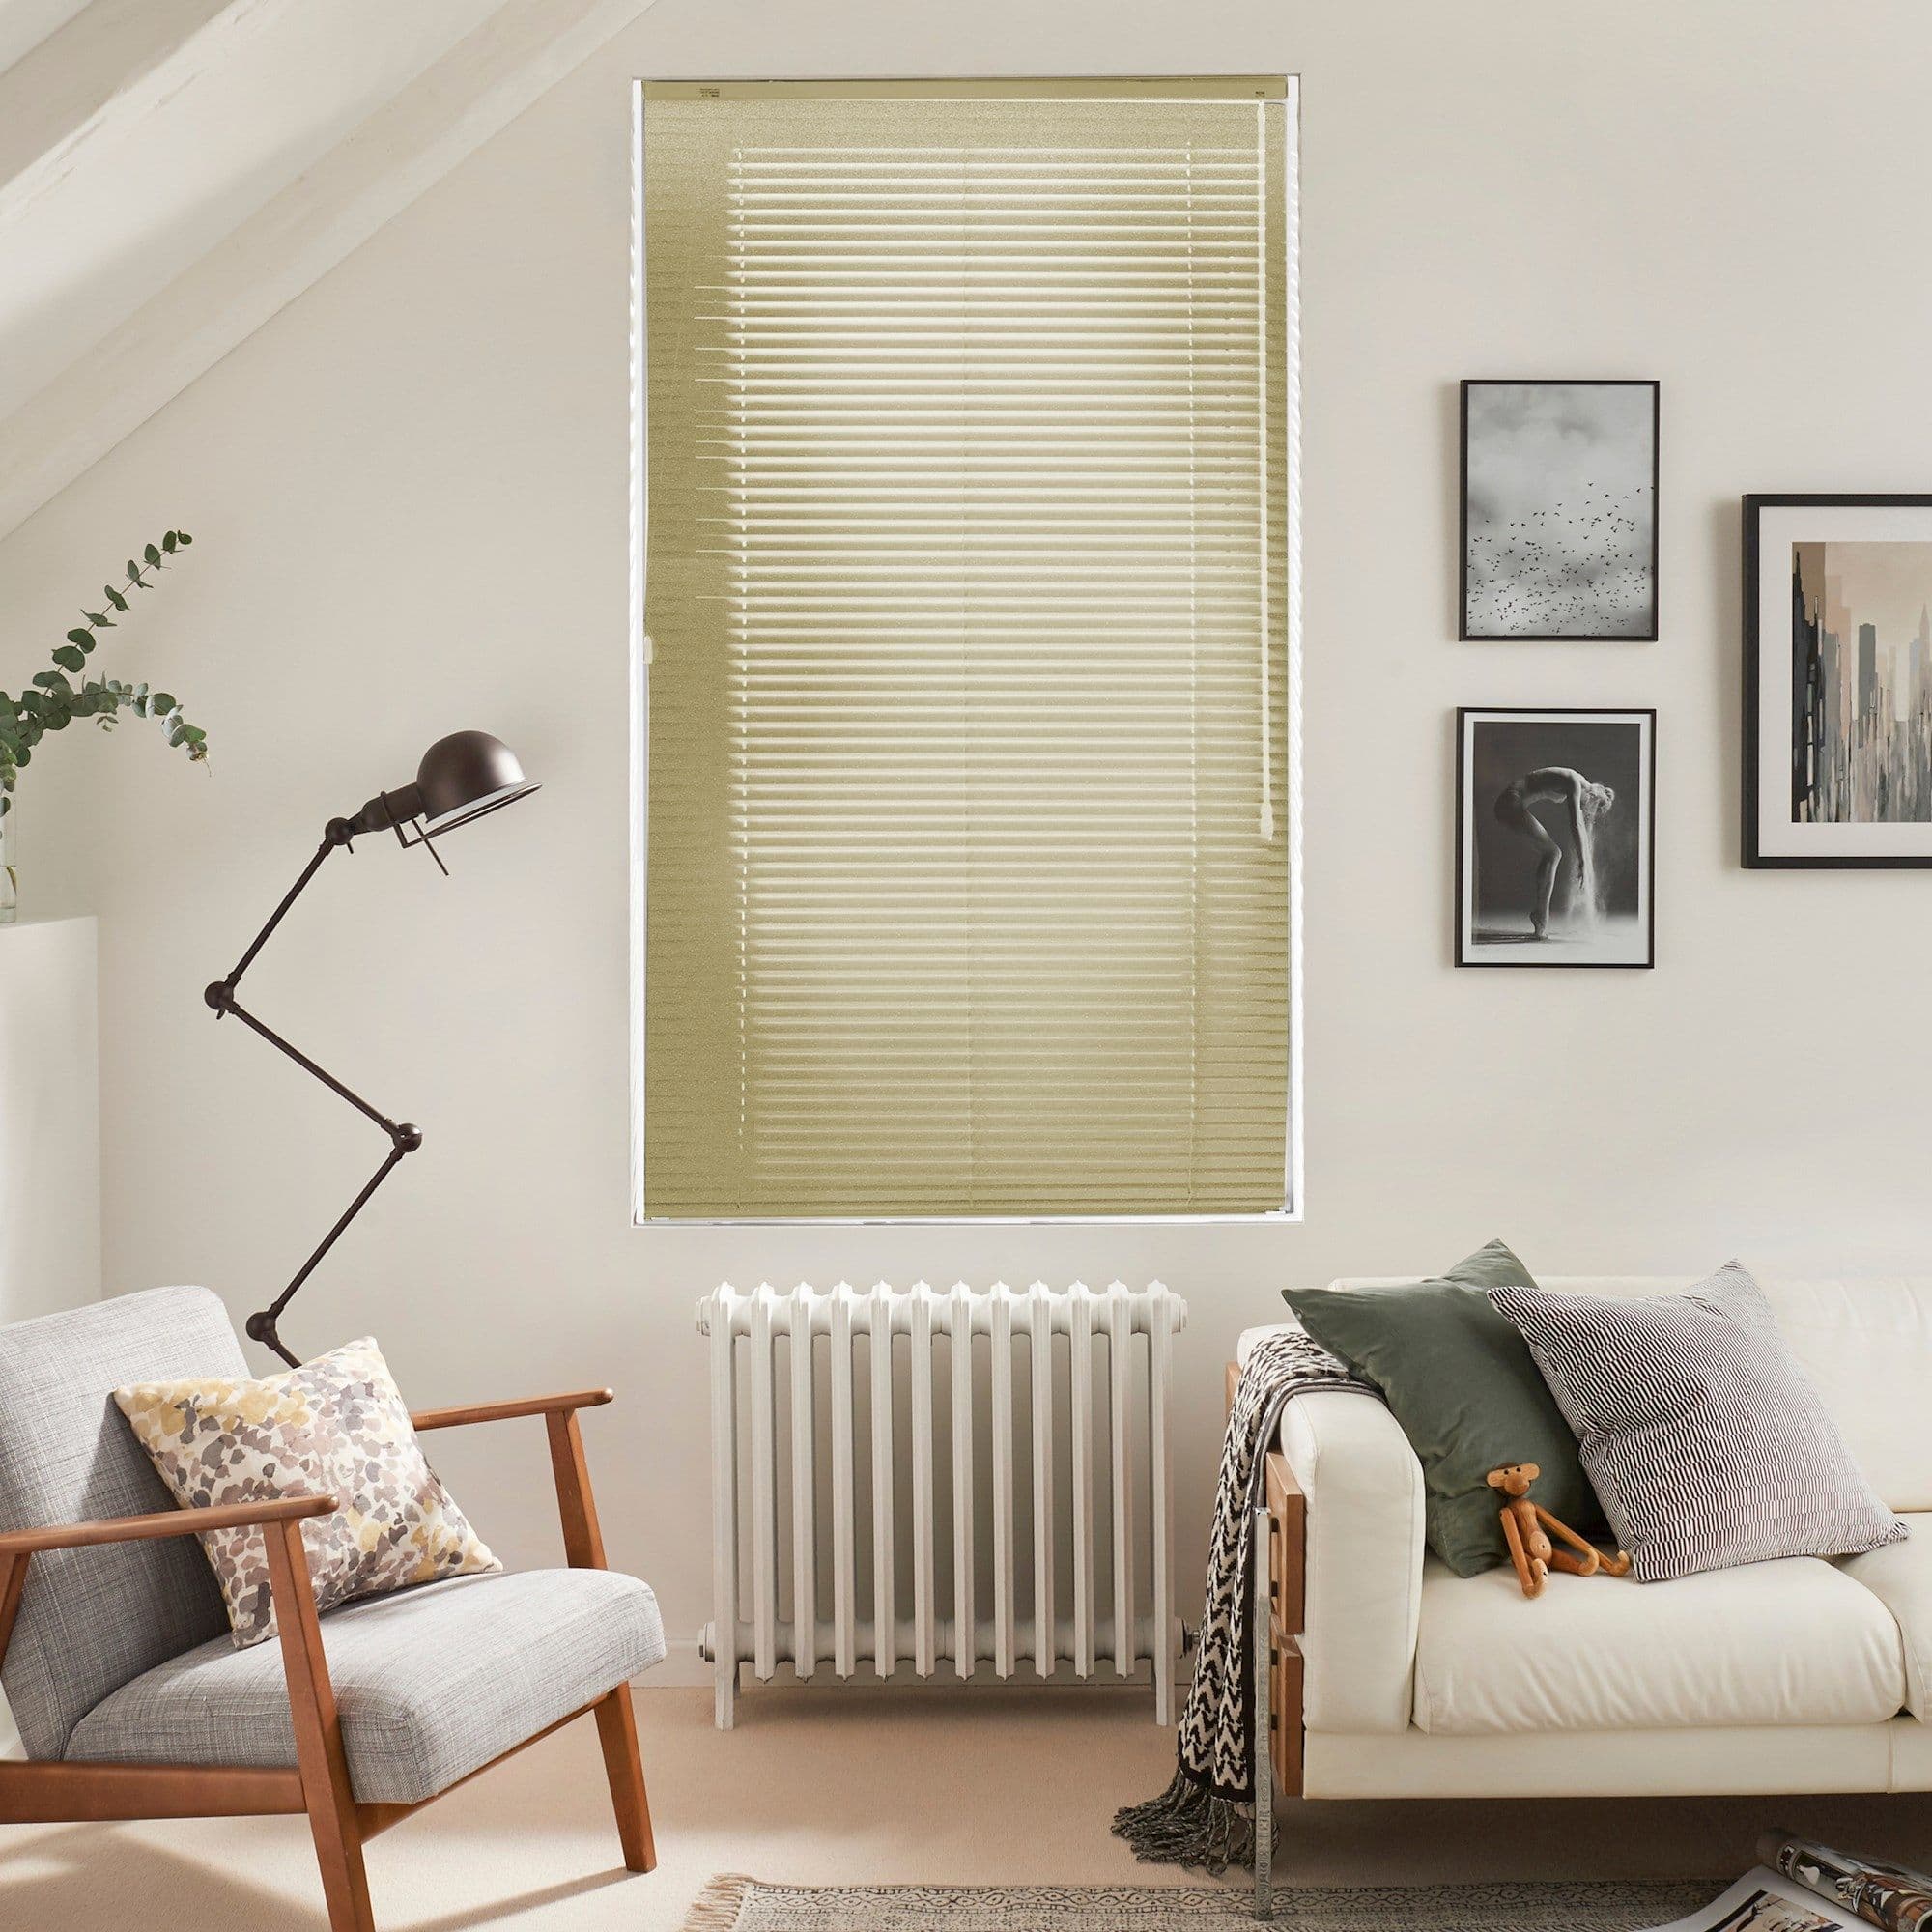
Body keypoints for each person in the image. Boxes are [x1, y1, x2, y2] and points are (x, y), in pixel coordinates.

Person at [1492, 767, 1615, 940]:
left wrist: (1586, 860)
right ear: (1593, 796)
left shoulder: (1579, 786)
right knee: (1553, 853)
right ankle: (1540, 917)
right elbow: (1576, 824)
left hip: (1510, 803)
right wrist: (1583, 862)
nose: (1586, 811)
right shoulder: (1574, 781)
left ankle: (1539, 916)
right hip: (1510, 802)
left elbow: (1582, 826)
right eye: (1590, 807)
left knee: (1552, 853)